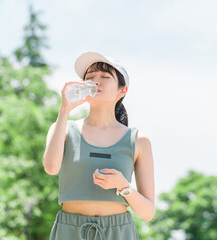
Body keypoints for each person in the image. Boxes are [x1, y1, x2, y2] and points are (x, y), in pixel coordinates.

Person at [42, 51, 155, 240]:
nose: (96, 81)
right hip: (69, 230)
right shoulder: (63, 128)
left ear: (122, 90)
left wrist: (124, 186)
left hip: (118, 231)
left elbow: (148, 212)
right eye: (90, 77)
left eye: (105, 76)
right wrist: (65, 110)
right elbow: (51, 168)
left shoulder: (138, 140)